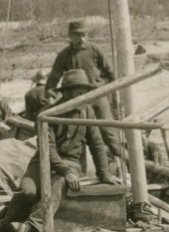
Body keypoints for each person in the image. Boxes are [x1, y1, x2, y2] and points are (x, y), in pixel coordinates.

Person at [0, 69, 109, 232]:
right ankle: (5, 223)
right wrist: (64, 170)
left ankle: (32, 225)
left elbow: (97, 144)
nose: (83, 97)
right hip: (43, 160)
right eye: (79, 93)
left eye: (85, 93)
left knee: (57, 183)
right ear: (66, 93)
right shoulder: (47, 114)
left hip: (72, 162)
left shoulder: (87, 112)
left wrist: (105, 174)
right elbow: (47, 149)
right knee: (27, 191)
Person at [46, 20, 122, 170]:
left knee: (109, 132)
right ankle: (79, 167)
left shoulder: (95, 50)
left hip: (97, 96)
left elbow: (112, 74)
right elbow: (53, 79)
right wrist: (51, 97)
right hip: (75, 101)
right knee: (75, 134)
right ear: (70, 36)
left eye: (84, 35)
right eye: (77, 35)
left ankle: (126, 162)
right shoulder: (64, 55)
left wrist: (114, 96)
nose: (81, 39)